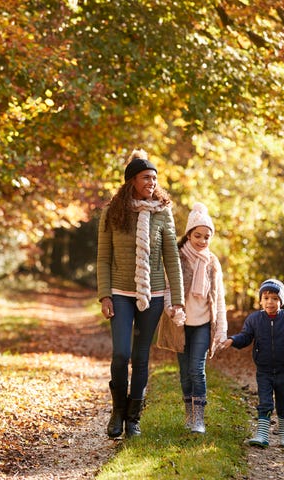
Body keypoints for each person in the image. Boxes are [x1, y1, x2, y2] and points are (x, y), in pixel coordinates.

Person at [97, 148, 184, 439]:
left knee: (141, 356)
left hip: (154, 293)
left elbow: (171, 257)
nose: (152, 183)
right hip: (120, 292)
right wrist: (104, 295)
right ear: (132, 180)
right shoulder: (112, 212)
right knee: (121, 354)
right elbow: (103, 257)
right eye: (146, 177)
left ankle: (134, 418)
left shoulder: (162, 212)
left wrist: (179, 300)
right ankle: (118, 411)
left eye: (155, 178)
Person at [220, 279, 284, 448]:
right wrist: (232, 340)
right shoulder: (254, 319)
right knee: (265, 402)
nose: (270, 302)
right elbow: (246, 336)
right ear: (261, 300)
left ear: (281, 302)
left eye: (275, 298)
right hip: (264, 370)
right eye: (266, 298)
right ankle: (262, 435)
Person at [167, 202, 227, 434]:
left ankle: (199, 420)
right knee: (184, 372)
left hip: (203, 323)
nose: (202, 241)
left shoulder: (212, 263)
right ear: (189, 234)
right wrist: (172, 310)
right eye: (198, 236)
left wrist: (221, 329)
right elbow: (168, 289)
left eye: (206, 237)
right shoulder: (178, 258)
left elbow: (219, 298)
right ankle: (189, 415)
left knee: (197, 369)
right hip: (181, 323)